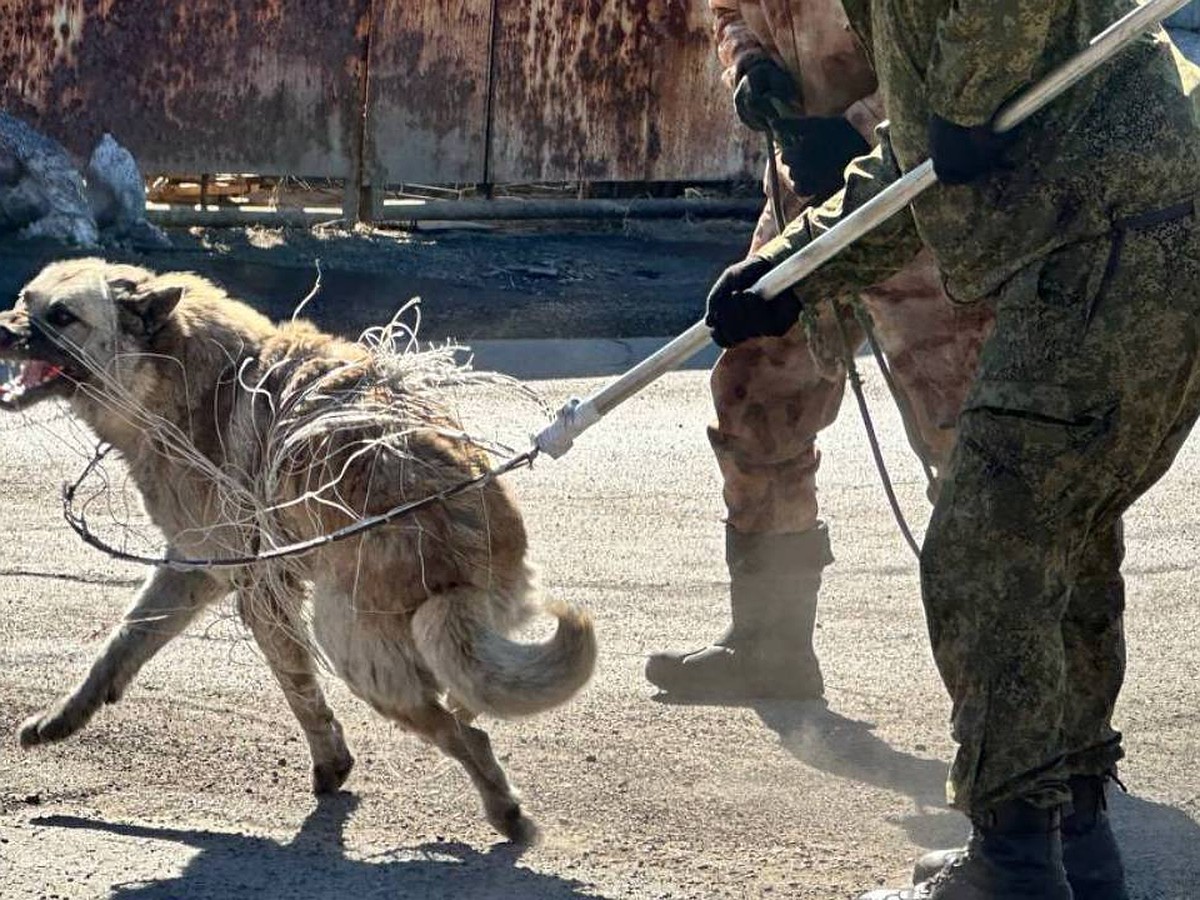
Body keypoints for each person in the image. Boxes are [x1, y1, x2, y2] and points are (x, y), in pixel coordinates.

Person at [704, 2, 1200, 897]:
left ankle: (1011, 867)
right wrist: (789, 275)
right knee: (1061, 537)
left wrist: (969, 100)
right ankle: (1071, 839)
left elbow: (967, 100)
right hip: (1119, 233)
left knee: (985, 546)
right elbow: (915, 163)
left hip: (1113, 240)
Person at [644, 0, 993, 702]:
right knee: (756, 394)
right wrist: (750, 65)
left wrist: (861, 132)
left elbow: (970, 51)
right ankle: (770, 647)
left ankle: (1014, 701)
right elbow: (731, 10)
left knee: (967, 434)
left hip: (919, 195)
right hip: (805, 189)